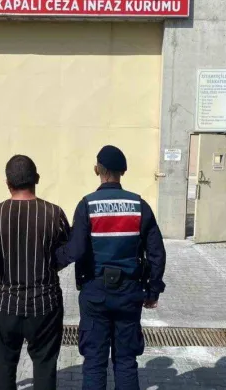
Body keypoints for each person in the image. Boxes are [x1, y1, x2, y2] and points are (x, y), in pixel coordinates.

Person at [55, 145, 167, 390]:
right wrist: (153, 290)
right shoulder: (139, 205)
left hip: (95, 292)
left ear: (97, 170)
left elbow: (75, 250)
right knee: (126, 360)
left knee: (94, 361)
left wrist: (48, 263)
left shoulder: (87, 205)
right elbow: (157, 252)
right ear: (123, 172)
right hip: (129, 293)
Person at [0, 155, 70, 390]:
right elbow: (68, 248)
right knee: (45, 367)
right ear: (37, 179)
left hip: (5, 303)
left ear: (7, 182)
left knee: (3, 368)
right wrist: (52, 265)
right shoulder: (54, 213)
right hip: (45, 303)